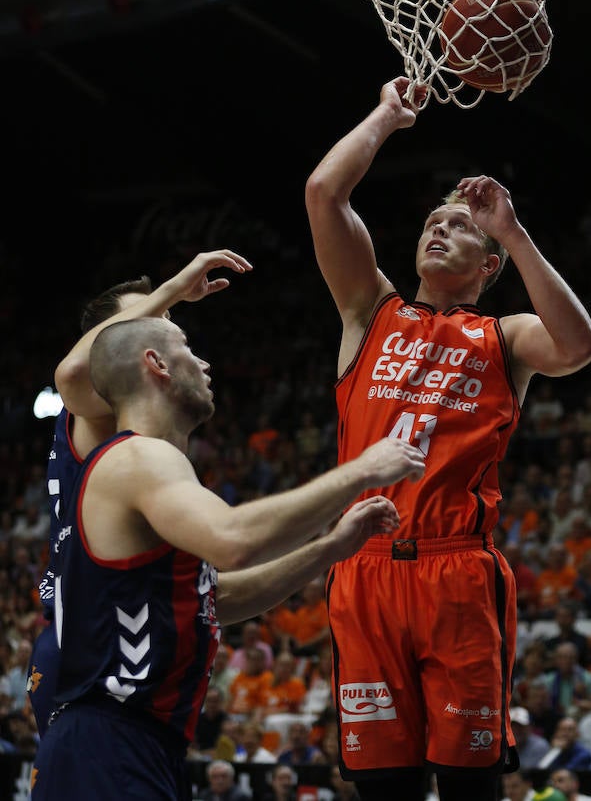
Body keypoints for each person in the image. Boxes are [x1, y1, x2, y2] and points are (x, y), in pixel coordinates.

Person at [304, 75, 591, 801]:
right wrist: (384, 116)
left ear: (488, 267)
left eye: (459, 226)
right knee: (384, 787)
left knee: (470, 786)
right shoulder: (368, 311)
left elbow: (578, 346)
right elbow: (324, 194)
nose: (439, 228)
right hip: (365, 568)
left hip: (456, 571)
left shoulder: (503, 336)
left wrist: (512, 230)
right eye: (433, 222)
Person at [31, 315, 425, 800]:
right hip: (110, 738)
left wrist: (331, 548)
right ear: (156, 364)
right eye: (187, 348)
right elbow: (233, 540)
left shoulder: (137, 468)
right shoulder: (139, 458)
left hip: (130, 741)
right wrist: (361, 470)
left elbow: (213, 596)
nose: (204, 362)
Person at [27, 250, 254, 737]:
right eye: (151, 313)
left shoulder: (146, 442)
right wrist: (173, 284)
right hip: (84, 647)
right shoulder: (95, 409)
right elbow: (69, 373)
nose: (162, 321)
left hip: (104, 630)